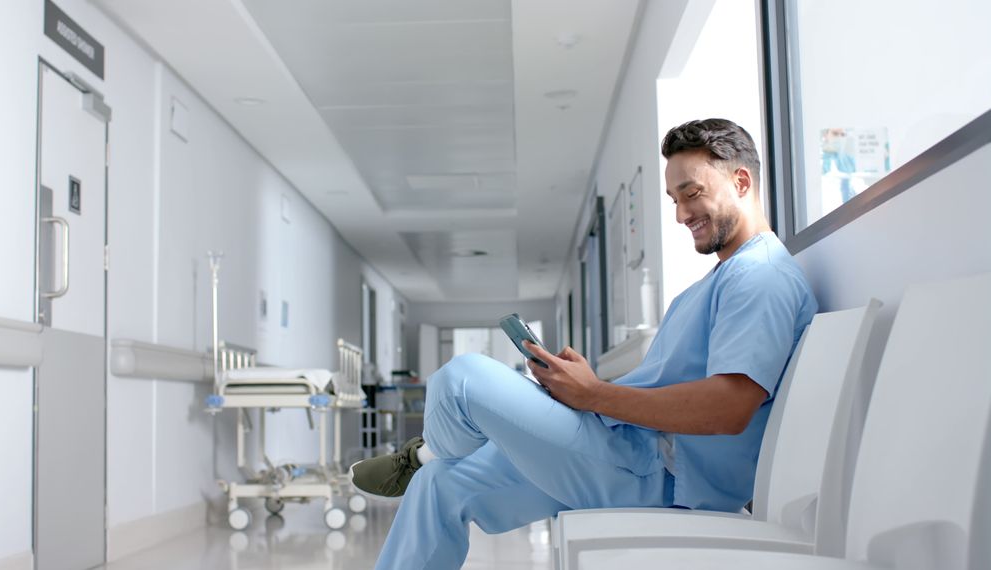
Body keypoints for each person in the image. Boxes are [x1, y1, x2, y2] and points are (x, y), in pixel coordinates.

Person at [350, 118, 819, 569]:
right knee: (440, 484)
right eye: (673, 199)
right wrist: (585, 390)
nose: (680, 215)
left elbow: (729, 408)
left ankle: (426, 450)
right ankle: (431, 459)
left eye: (691, 194)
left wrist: (593, 395)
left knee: (462, 379)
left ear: (741, 182)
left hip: (663, 479)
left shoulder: (761, 277)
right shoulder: (720, 280)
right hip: (624, 451)